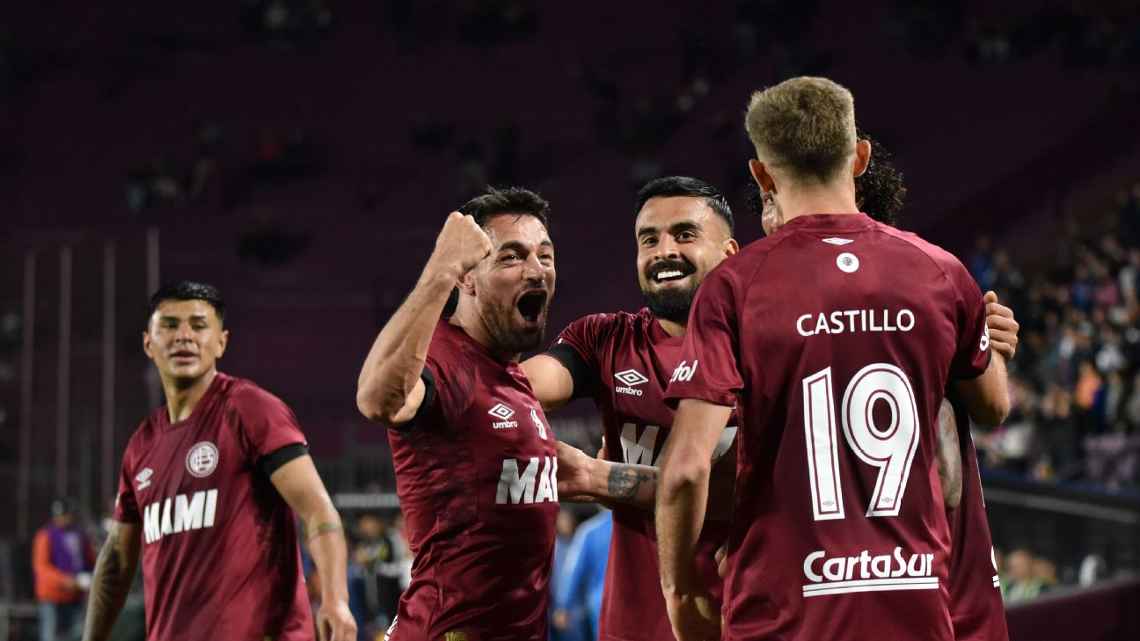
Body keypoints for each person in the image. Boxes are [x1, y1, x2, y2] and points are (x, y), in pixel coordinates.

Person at [657, 76, 1011, 641]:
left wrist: (680, 594)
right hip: (916, 606)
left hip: (785, 614)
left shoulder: (734, 287)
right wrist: (993, 342)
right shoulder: (941, 273)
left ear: (762, 174)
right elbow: (992, 407)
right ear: (861, 156)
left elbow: (684, 472)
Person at [82, 281, 355, 641]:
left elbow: (318, 511)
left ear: (221, 342)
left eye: (198, 326)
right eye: (169, 325)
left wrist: (336, 600)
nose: (183, 336)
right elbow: (117, 559)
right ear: (148, 343)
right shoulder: (141, 445)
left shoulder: (250, 409)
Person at [355, 187, 559, 639]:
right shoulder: (444, 360)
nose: (537, 270)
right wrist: (441, 268)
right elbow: (377, 399)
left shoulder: (507, 374)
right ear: (467, 277)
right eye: (511, 257)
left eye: (545, 255)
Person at [33, 498, 95, 641]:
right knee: (52, 636)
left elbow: (90, 561)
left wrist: (90, 578)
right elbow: (42, 568)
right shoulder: (46, 535)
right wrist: (64, 580)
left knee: (75, 636)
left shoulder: (80, 534)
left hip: (75, 596)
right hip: (53, 597)